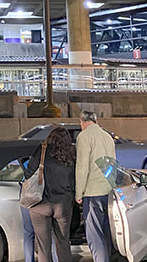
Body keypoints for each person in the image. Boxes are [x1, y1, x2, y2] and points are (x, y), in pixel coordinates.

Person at [24, 126, 75, 262]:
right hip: (62, 205)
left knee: (43, 247)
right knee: (63, 243)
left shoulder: (41, 150)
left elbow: (28, 174)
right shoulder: (71, 154)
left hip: (40, 204)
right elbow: (74, 180)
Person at [75, 110, 117, 262]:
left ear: (82, 121)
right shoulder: (107, 136)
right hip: (108, 190)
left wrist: (78, 193)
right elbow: (113, 164)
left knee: (94, 234)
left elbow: (82, 167)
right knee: (106, 231)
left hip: (92, 192)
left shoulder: (84, 137)